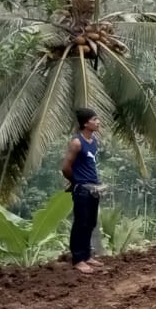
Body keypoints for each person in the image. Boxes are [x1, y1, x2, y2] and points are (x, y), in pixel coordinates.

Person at [62, 107, 103, 275]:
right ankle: (78, 259)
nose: (98, 122)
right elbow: (66, 167)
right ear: (86, 123)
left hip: (94, 187)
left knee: (91, 222)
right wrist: (75, 181)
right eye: (94, 119)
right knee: (81, 223)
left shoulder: (93, 141)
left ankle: (86, 255)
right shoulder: (77, 143)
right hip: (82, 189)